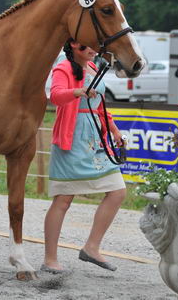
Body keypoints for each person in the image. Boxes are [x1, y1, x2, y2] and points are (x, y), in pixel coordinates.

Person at [41, 38, 126, 274]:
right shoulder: (64, 66)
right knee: (63, 200)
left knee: (117, 191)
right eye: (85, 46)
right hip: (71, 138)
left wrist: (115, 131)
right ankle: (50, 259)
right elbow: (55, 96)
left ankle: (92, 247)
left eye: (93, 47)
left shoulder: (94, 67)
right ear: (73, 47)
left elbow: (99, 107)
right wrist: (78, 91)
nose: (91, 50)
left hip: (95, 139)